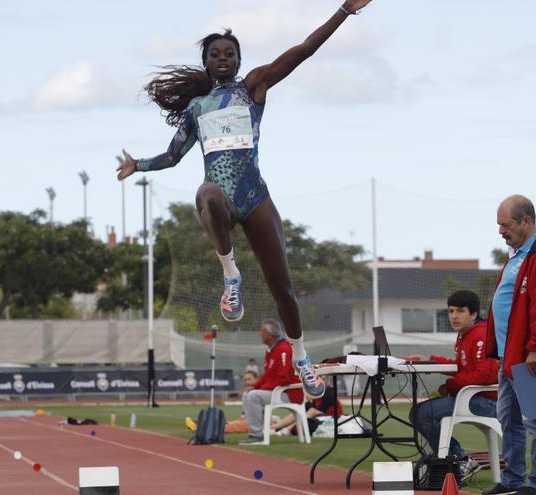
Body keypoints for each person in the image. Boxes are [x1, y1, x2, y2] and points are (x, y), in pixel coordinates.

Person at [115, 0, 373, 399]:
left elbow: (304, 50)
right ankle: (229, 272)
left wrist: (344, 11)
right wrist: (139, 165)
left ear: (238, 60)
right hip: (222, 198)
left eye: (229, 53)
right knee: (207, 194)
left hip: (256, 198)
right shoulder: (196, 109)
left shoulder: (253, 87)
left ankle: (302, 359)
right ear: (205, 62)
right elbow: (172, 156)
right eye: (215, 54)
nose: (223, 58)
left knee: (283, 291)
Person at [484, 196, 536, 495]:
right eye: (499, 225)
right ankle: (513, 481)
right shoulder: (518, 255)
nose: (501, 231)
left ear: (526, 221)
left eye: (506, 224)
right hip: (509, 356)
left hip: (531, 356)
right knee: (509, 421)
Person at [407, 290, 499, 480]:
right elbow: (463, 367)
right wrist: (432, 361)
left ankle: (459, 459)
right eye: (450, 311)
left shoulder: (481, 334)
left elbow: (485, 374)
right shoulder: (465, 335)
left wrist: (451, 386)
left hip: (487, 401)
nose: (454, 316)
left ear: (474, 314)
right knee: (419, 412)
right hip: (472, 398)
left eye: (460, 311)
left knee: (422, 413)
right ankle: (456, 458)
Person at [239, 319, 303, 445]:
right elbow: (267, 374)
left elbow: (284, 378)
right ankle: (254, 433)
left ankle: (256, 436)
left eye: (262, 331)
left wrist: (261, 389)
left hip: (290, 394)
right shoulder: (271, 350)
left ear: (270, 334)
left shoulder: (283, 349)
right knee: (248, 394)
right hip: (278, 391)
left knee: (253, 396)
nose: (259, 334)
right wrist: (255, 386)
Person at [271, 375, 341, 437]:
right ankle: (272, 427)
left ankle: (286, 430)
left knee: (312, 411)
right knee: (298, 411)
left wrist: (309, 398)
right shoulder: (315, 393)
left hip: (332, 419)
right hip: (318, 418)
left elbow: (319, 410)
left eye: (323, 379)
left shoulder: (330, 393)